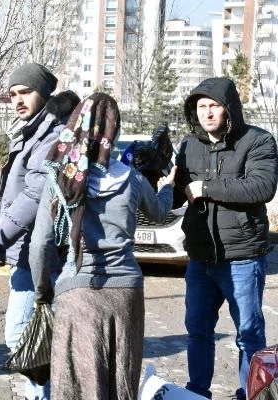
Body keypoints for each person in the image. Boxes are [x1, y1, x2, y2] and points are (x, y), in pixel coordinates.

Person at [29, 92, 176, 399]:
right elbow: (160, 212)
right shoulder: (132, 179)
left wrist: (43, 294)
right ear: (115, 131)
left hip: (77, 293)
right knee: (120, 381)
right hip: (126, 294)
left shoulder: (59, 178)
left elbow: (40, 245)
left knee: (77, 385)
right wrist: (171, 187)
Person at [0, 62, 79, 399]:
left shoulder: (52, 137)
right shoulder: (32, 131)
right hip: (29, 254)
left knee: (23, 335)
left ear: (44, 95)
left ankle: (49, 393)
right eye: (13, 94)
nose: (17, 100)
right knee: (35, 338)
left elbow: (33, 196)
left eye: (25, 92)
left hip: (45, 255)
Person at [173, 77, 278, 399]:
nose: (206, 113)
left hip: (242, 257)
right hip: (200, 258)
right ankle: (197, 391)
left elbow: (262, 187)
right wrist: (156, 178)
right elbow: (180, 196)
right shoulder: (190, 145)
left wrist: (206, 188)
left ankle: (252, 394)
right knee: (197, 331)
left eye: (213, 105)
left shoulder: (258, 141)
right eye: (200, 106)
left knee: (248, 334)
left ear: (228, 108)